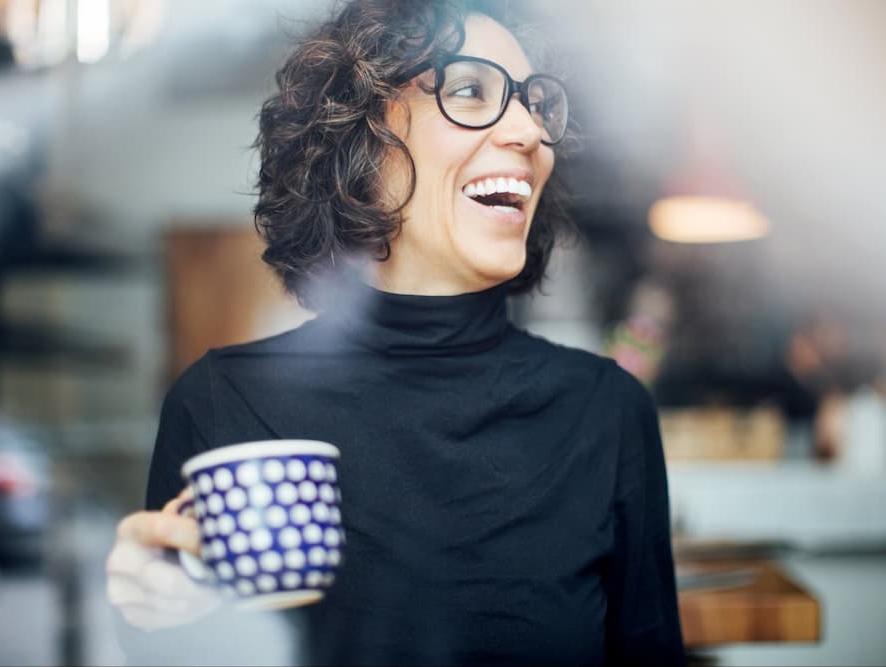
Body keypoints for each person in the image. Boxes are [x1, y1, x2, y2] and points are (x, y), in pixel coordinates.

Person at [105, 1, 685, 664]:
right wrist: (152, 616)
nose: (529, 131)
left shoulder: (605, 414)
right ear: (361, 137)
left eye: (535, 103)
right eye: (471, 90)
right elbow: (182, 640)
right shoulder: (223, 404)